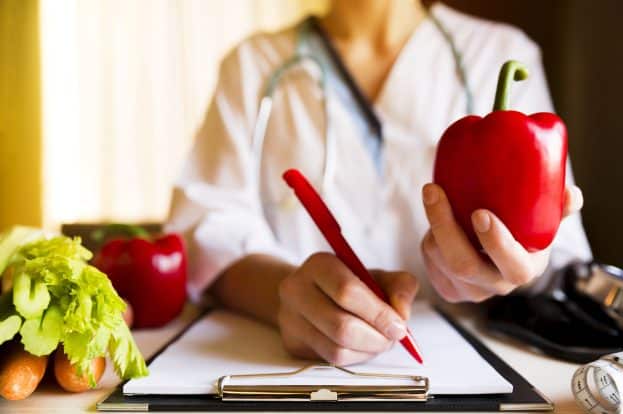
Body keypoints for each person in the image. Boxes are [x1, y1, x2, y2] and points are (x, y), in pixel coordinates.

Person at [166, 0, 592, 365]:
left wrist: (514, 266)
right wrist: (283, 294)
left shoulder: (498, 52)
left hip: (468, 371)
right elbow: (207, 233)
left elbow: (561, 262)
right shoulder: (251, 65)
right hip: (284, 368)